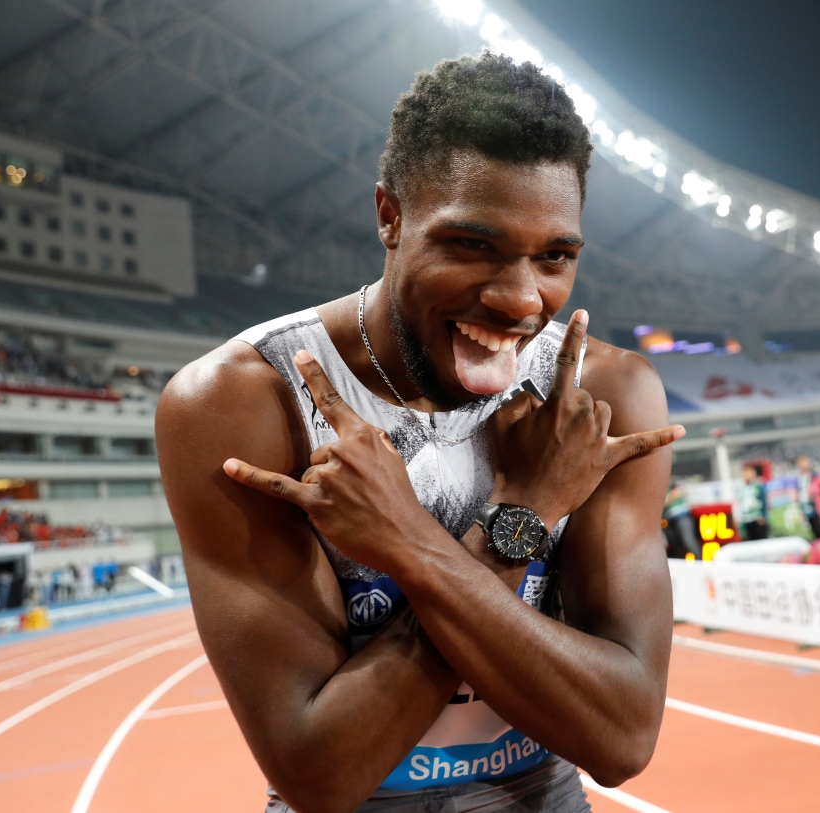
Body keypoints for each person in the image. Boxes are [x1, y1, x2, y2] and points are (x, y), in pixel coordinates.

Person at [157, 52, 683, 813]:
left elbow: (621, 735)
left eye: (555, 255)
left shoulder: (605, 395)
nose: (519, 299)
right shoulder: (243, 400)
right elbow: (322, 774)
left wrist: (409, 543)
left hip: (542, 795)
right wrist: (522, 522)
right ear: (390, 216)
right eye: (474, 245)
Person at [795, 455, 820, 539]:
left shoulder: (815, 475)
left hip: (816, 508)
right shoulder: (800, 478)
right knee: (814, 531)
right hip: (806, 508)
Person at [740, 464, 769, 541]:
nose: (746, 476)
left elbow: (764, 501)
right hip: (746, 520)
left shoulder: (758, 486)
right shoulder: (742, 488)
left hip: (757, 519)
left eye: (748, 473)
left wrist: (764, 516)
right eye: (745, 474)